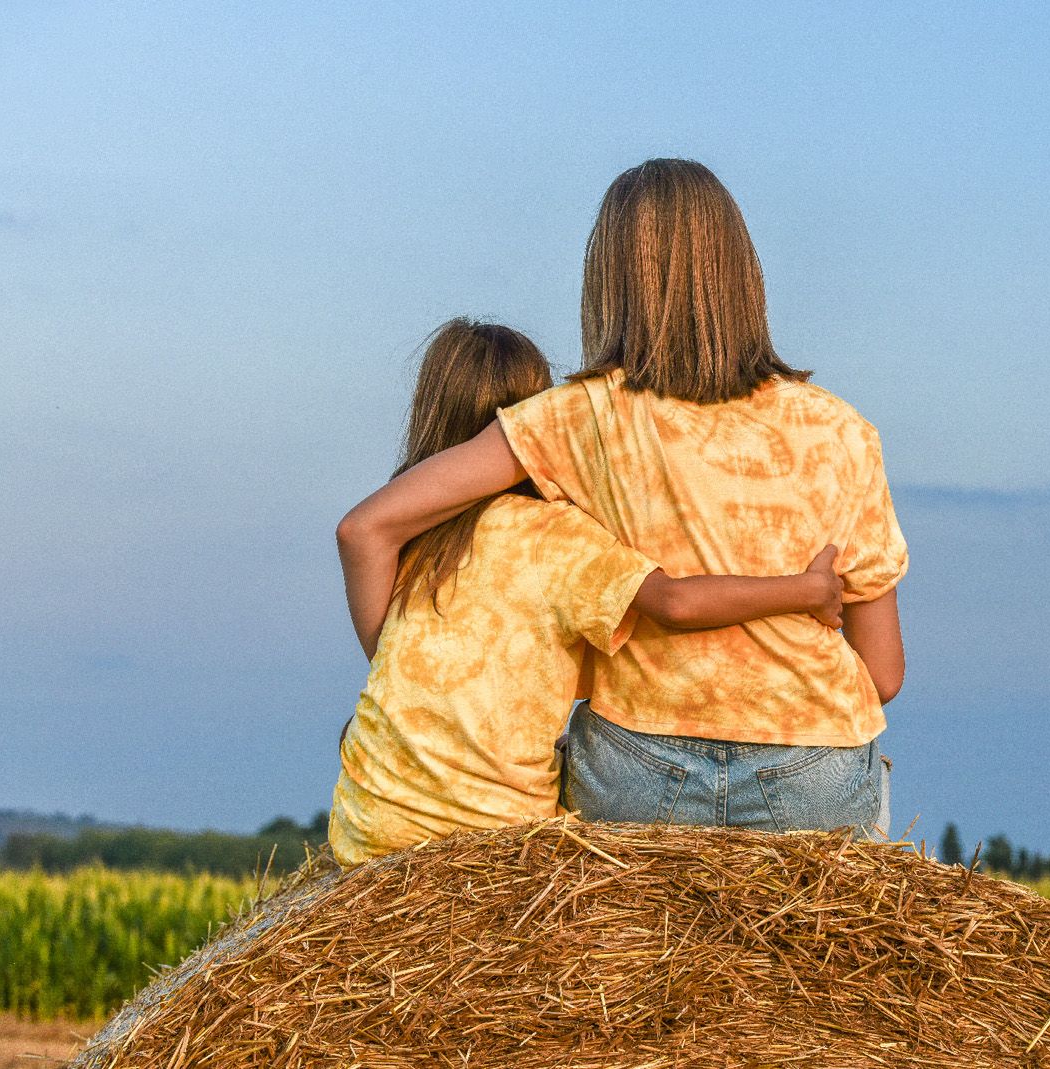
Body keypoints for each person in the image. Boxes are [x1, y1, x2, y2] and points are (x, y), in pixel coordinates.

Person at [337, 159, 906, 837]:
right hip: (815, 772)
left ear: (608, 281)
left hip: (640, 768)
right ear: (744, 273)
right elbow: (885, 672)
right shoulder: (842, 432)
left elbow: (371, 524)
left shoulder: (577, 416)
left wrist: (401, 660)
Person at [329, 319, 845, 865]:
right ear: (537, 416)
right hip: (491, 847)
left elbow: (388, 654)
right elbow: (675, 603)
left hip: (365, 833)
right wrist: (805, 590)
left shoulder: (410, 545)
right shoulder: (557, 538)